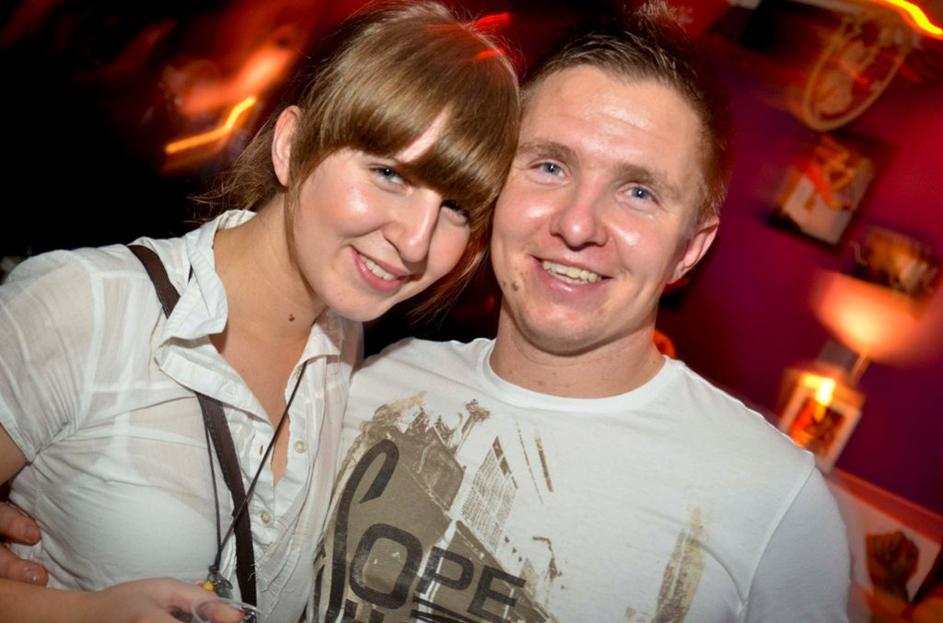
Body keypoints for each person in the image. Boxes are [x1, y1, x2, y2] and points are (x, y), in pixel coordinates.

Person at [307, 5, 851, 622]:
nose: (576, 224)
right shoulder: (370, 383)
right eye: (550, 166)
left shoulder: (773, 505)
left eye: (638, 191)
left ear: (690, 250)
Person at [0, 1, 519, 621]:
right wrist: (79, 615)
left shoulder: (345, 356)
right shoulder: (85, 304)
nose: (414, 241)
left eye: (455, 207)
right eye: (389, 173)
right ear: (292, 146)